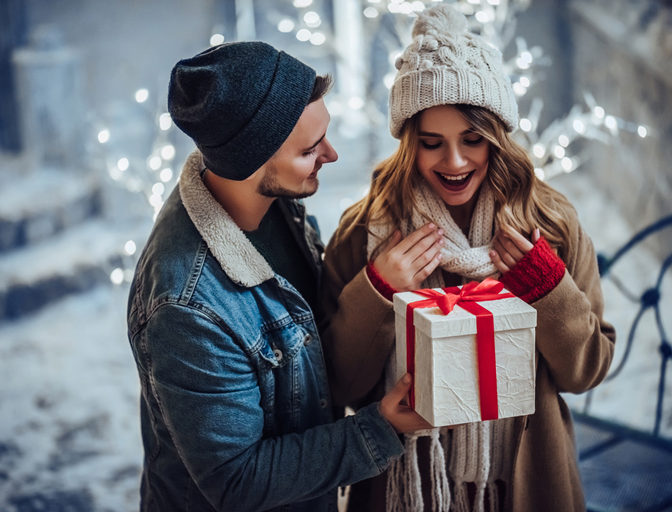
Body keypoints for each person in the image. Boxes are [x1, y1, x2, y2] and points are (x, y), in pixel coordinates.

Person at [318, 5, 616, 512]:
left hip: (525, 483)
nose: (454, 162)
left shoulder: (550, 224)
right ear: (408, 142)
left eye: (472, 140)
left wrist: (548, 289)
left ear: (498, 137)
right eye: (432, 143)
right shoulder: (365, 230)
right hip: (403, 484)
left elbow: (586, 371)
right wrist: (377, 291)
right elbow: (338, 385)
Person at [126, 41, 431, 512]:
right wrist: (380, 429)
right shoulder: (186, 307)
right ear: (249, 161)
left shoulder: (275, 204)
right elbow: (237, 480)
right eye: (310, 150)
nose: (331, 154)